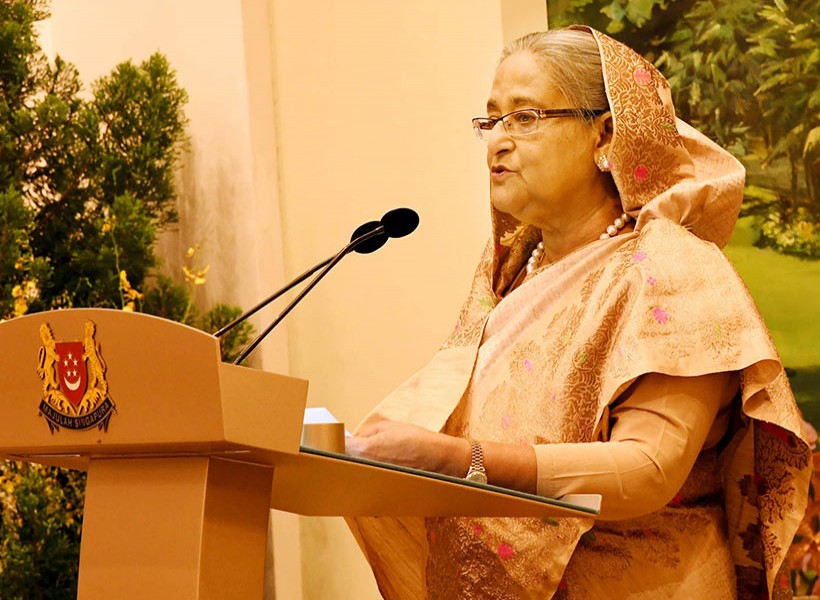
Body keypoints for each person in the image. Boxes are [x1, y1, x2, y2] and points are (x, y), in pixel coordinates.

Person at [344, 25, 811, 599]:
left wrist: (456, 460)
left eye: (526, 117)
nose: (498, 141)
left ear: (605, 134)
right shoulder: (512, 274)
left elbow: (647, 470)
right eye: (490, 120)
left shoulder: (672, 270)